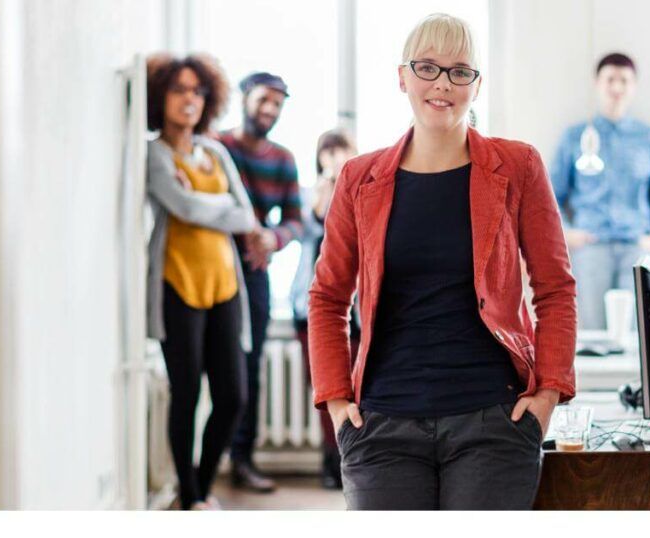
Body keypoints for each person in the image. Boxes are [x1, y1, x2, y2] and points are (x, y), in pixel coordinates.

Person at [308, 13, 577, 510]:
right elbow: (327, 298)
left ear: (476, 85)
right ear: (402, 77)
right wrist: (337, 403)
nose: (442, 83)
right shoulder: (358, 178)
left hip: (493, 420)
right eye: (427, 67)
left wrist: (549, 396)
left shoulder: (518, 166)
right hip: (382, 425)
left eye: (460, 71)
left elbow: (555, 288)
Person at [145, 53, 256, 510]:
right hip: (177, 285)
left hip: (224, 286)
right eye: (178, 90)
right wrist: (216, 208)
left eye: (196, 91)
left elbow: (245, 215)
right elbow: (184, 209)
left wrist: (197, 201)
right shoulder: (154, 152)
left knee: (232, 396)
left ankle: (203, 488)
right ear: (160, 97)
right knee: (187, 394)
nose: (189, 99)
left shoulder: (216, 153)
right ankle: (190, 499)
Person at [218, 72, 303, 492]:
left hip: (254, 276)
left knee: (247, 371)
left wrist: (272, 238)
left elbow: (296, 221)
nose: (269, 109)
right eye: (263, 100)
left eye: (277, 104)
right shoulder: (217, 147)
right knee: (209, 367)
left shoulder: (283, 159)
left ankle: (242, 460)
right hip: (212, 268)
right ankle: (202, 467)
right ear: (243, 98)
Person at [550, 52, 650, 330]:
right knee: (592, 334)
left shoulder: (647, 137)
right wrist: (567, 232)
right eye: (610, 79)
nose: (617, 87)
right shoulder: (576, 136)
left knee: (637, 334)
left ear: (634, 86)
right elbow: (551, 195)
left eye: (624, 80)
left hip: (637, 248)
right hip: (591, 248)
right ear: (598, 83)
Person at [290, 128, 360, 490]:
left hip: (359, 310)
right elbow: (312, 226)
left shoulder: (365, 190)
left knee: (358, 388)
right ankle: (330, 463)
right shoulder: (310, 194)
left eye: (341, 149)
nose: (334, 157)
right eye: (327, 151)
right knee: (326, 387)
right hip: (311, 307)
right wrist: (326, 189)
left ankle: (355, 460)